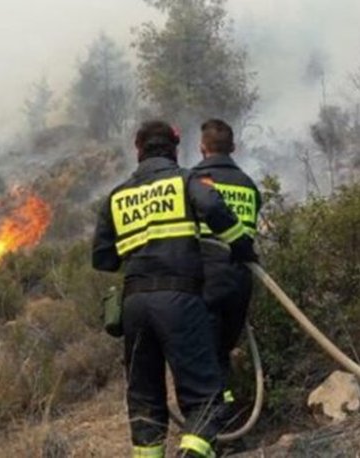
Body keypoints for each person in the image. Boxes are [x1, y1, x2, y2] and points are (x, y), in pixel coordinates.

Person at [92, 120, 256, 457]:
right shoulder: (186, 180)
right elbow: (212, 207)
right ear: (176, 147)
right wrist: (240, 245)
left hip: (135, 305)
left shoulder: (117, 195)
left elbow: (103, 259)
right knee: (204, 394)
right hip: (181, 300)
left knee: (145, 396)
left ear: (137, 150)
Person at [191, 119, 262, 419]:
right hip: (239, 281)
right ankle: (228, 415)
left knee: (201, 356)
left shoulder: (194, 181)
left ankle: (212, 424)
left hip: (204, 279)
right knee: (221, 352)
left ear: (202, 147)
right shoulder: (248, 184)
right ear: (233, 148)